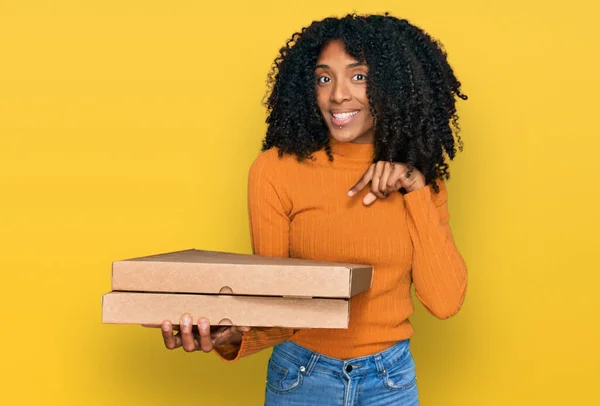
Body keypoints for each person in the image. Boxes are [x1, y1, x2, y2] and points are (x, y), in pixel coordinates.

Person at [149, 12, 468, 405]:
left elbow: (445, 301)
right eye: (323, 78)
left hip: (390, 382)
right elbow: (276, 305)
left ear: (395, 86)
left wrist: (416, 189)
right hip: (301, 378)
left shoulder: (419, 181)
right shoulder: (275, 171)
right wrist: (231, 337)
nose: (337, 95)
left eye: (358, 76)